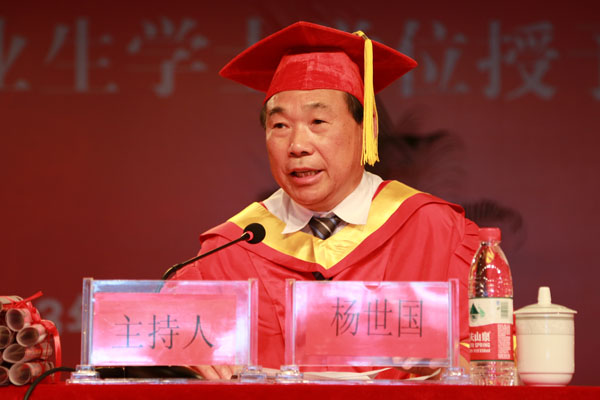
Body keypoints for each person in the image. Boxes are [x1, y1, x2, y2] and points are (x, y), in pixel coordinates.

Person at [172, 21, 479, 380]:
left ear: (367, 128)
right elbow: (162, 335)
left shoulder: (439, 232)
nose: (297, 145)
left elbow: (493, 355)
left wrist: (452, 364)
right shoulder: (229, 250)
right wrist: (182, 350)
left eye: (318, 121)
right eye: (280, 126)